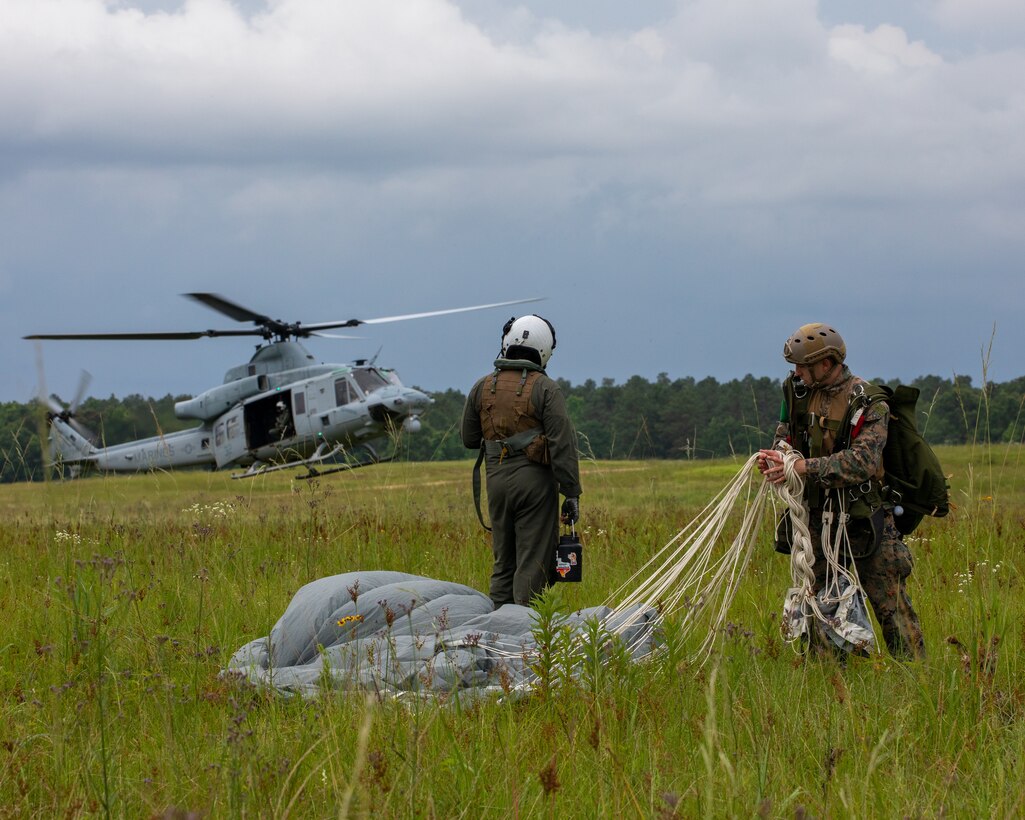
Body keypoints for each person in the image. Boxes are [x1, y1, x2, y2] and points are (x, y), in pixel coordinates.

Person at [757, 323, 925, 660]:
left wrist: (804, 468)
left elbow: (861, 462)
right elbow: (784, 437)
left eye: (803, 366)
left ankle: (915, 679)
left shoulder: (869, 402)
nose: (797, 373)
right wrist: (778, 459)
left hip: (866, 521)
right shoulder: (796, 395)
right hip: (816, 522)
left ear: (827, 363)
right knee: (821, 604)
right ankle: (831, 684)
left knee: (891, 604)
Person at [461, 314, 582, 608]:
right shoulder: (546, 389)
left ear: (507, 342)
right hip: (535, 485)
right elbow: (562, 445)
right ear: (545, 351)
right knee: (533, 563)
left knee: (504, 563)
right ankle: (524, 641)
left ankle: (495, 633)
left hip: (497, 483)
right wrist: (572, 493)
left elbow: (468, 438)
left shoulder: (482, 386)